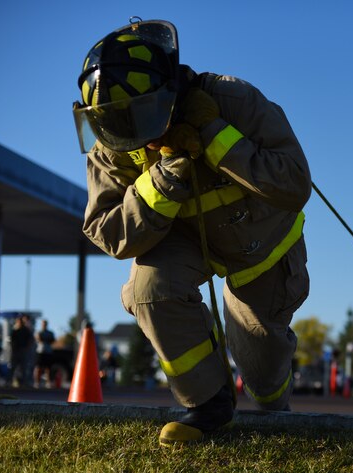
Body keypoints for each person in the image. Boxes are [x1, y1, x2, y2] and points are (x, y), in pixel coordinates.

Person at [73, 19, 311, 444]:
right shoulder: (114, 141)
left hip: (262, 248)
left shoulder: (233, 99)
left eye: (143, 117)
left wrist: (214, 135)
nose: (136, 137)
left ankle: (277, 413)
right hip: (184, 243)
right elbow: (107, 232)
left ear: (169, 94)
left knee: (263, 371)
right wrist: (166, 177)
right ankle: (207, 406)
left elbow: (293, 184)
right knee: (148, 289)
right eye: (121, 125)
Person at [9, 316, 34, 388]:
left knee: (24, 367)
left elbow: (30, 340)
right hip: (16, 351)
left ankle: (24, 383)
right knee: (13, 367)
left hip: (23, 351)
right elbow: (12, 340)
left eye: (21, 321)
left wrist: (27, 348)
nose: (20, 323)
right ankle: (9, 381)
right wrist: (13, 348)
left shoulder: (26, 330)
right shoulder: (15, 331)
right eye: (18, 321)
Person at [34, 319, 56, 387]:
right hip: (40, 351)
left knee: (48, 368)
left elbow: (52, 340)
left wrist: (46, 339)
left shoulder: (50, 333)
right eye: (43, 324)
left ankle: (48, 382)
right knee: (38, 367)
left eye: (45, 324)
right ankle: (37, 382)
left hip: (48, 352)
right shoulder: (38, 332)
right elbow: (38, 339)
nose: (44, 325)